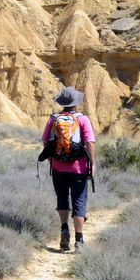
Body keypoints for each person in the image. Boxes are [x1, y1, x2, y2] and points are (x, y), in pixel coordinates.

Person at [41, 86, 96, 252]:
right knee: (79, 201)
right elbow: (90, 143)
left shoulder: (53, 119)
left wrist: (53, 159)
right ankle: (79, 240)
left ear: (62, 103)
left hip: (58, 168)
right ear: (76, 103)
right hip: (78, 168)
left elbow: (45, 142)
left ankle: (64, 229)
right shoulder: (83, 119)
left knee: (62, 198)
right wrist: (92, 164)